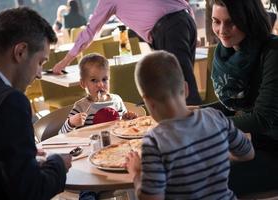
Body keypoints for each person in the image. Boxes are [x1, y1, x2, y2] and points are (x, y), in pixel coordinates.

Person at [124, 51, 254, 200]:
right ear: (186, 89)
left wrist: (136, 173)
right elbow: (248, 153)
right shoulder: (215, 117)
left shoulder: (154, 141)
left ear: (148, 102)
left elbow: (152, 198)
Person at [0, 7, 72, 199]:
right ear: (20, 52)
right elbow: (30, 192)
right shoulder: (9, 102)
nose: (39, 74)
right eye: (40, 62)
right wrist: (58, 164)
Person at [53, 0, 202, 105]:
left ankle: (200, 141)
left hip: (170, 30)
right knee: (178, 88)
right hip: (184, 21)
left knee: (182, 91)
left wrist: (64, 61)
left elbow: (90, 31)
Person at [206, 0, 278, 196]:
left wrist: (205, 124)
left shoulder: (273, 51)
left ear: (249, 20)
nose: (222, 30)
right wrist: (195, 112)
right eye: (216, 21)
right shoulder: (230, 51)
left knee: (202, 177)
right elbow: (235, 104)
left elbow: (261, 119)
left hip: (274, 152)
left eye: (231, 22)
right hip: (259, 145)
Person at [59, 53, 137, 134]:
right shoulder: (80, 107)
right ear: (83, 83)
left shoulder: (117, 100)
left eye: (104, 79)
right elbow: (61, 134)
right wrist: (71, 123)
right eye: (94, 80)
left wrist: (128, 118)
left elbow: (124, 124)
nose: (100, 84)